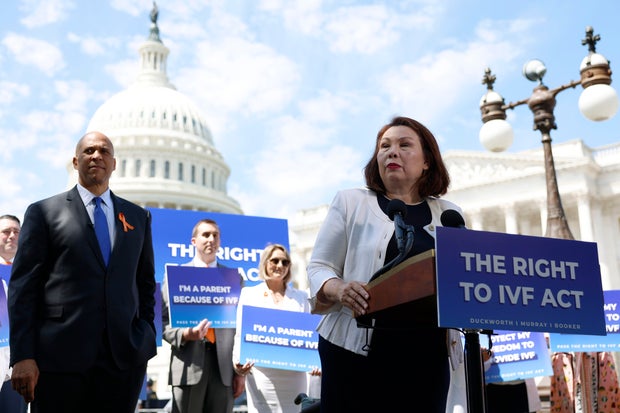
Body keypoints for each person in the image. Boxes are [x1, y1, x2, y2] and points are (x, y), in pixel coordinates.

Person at [306, 116, 464, 412]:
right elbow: (318, 267)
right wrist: (340, 289)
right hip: (355, 352)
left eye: (405, 145)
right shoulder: (351, 202)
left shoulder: (449, 214)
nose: (392, 152)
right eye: (384, 146)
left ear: (427, 161)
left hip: (427, 355)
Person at [7, 131, 157, 413]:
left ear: (114, 164)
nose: (96, 156)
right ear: (76, 162)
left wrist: (144, 334)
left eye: (104, 151)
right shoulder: (44, 212)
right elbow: (23, 288)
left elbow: (145, 284)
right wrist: (23, 355)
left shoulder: (138, 217)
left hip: (122, 361)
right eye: (89, 151)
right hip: (58, 361)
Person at [162, 218, 245, 413]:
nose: (211, 239)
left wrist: (240, 372)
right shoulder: (176, 275)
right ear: (193, 241)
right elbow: (163, 321)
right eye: (205, 234)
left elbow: (242, 326)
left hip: (224, 370)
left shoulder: (234, 278)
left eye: (215, 235)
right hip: (188, 365)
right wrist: (185, 334)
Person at [232, 244, 321, 413]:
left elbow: (310, 333)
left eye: (285, 262)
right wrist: (238, 365)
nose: (280, 265)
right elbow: (240, 334)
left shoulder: (302, 298)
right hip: (261, 377)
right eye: (275, 260)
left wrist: (316, 362)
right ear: (265, 263)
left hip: (295, 379)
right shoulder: (249, 294)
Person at [0, 215, 27, 413]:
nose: (12, 236)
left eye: (16, 232)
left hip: (16, 364)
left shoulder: (31, 272)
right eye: (6, 231)